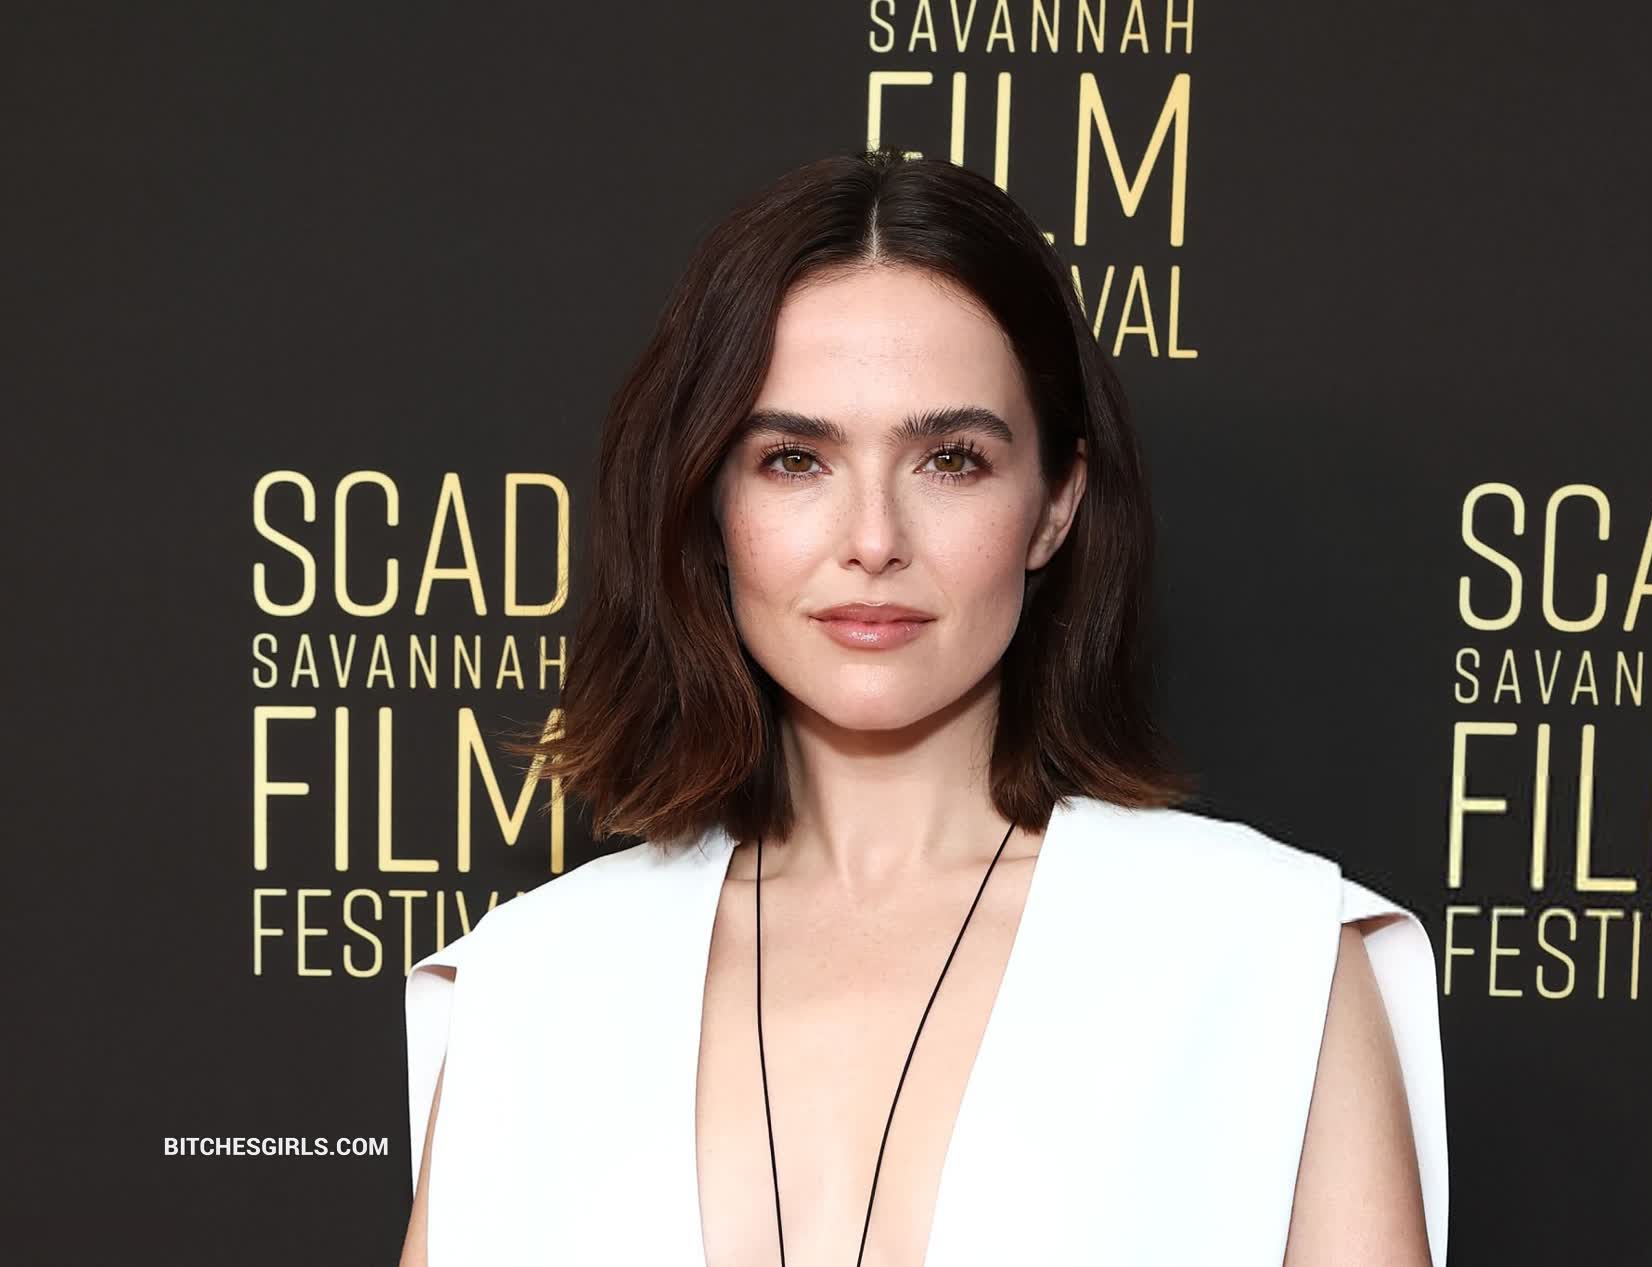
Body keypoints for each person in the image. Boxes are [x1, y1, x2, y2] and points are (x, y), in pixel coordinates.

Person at [396, 148, 1448, 1267]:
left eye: (950, 459)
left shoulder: (1269, 958)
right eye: (794, 459)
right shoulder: (533, 983)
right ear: (709, 502)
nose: (873, 539)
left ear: (1055, 505)